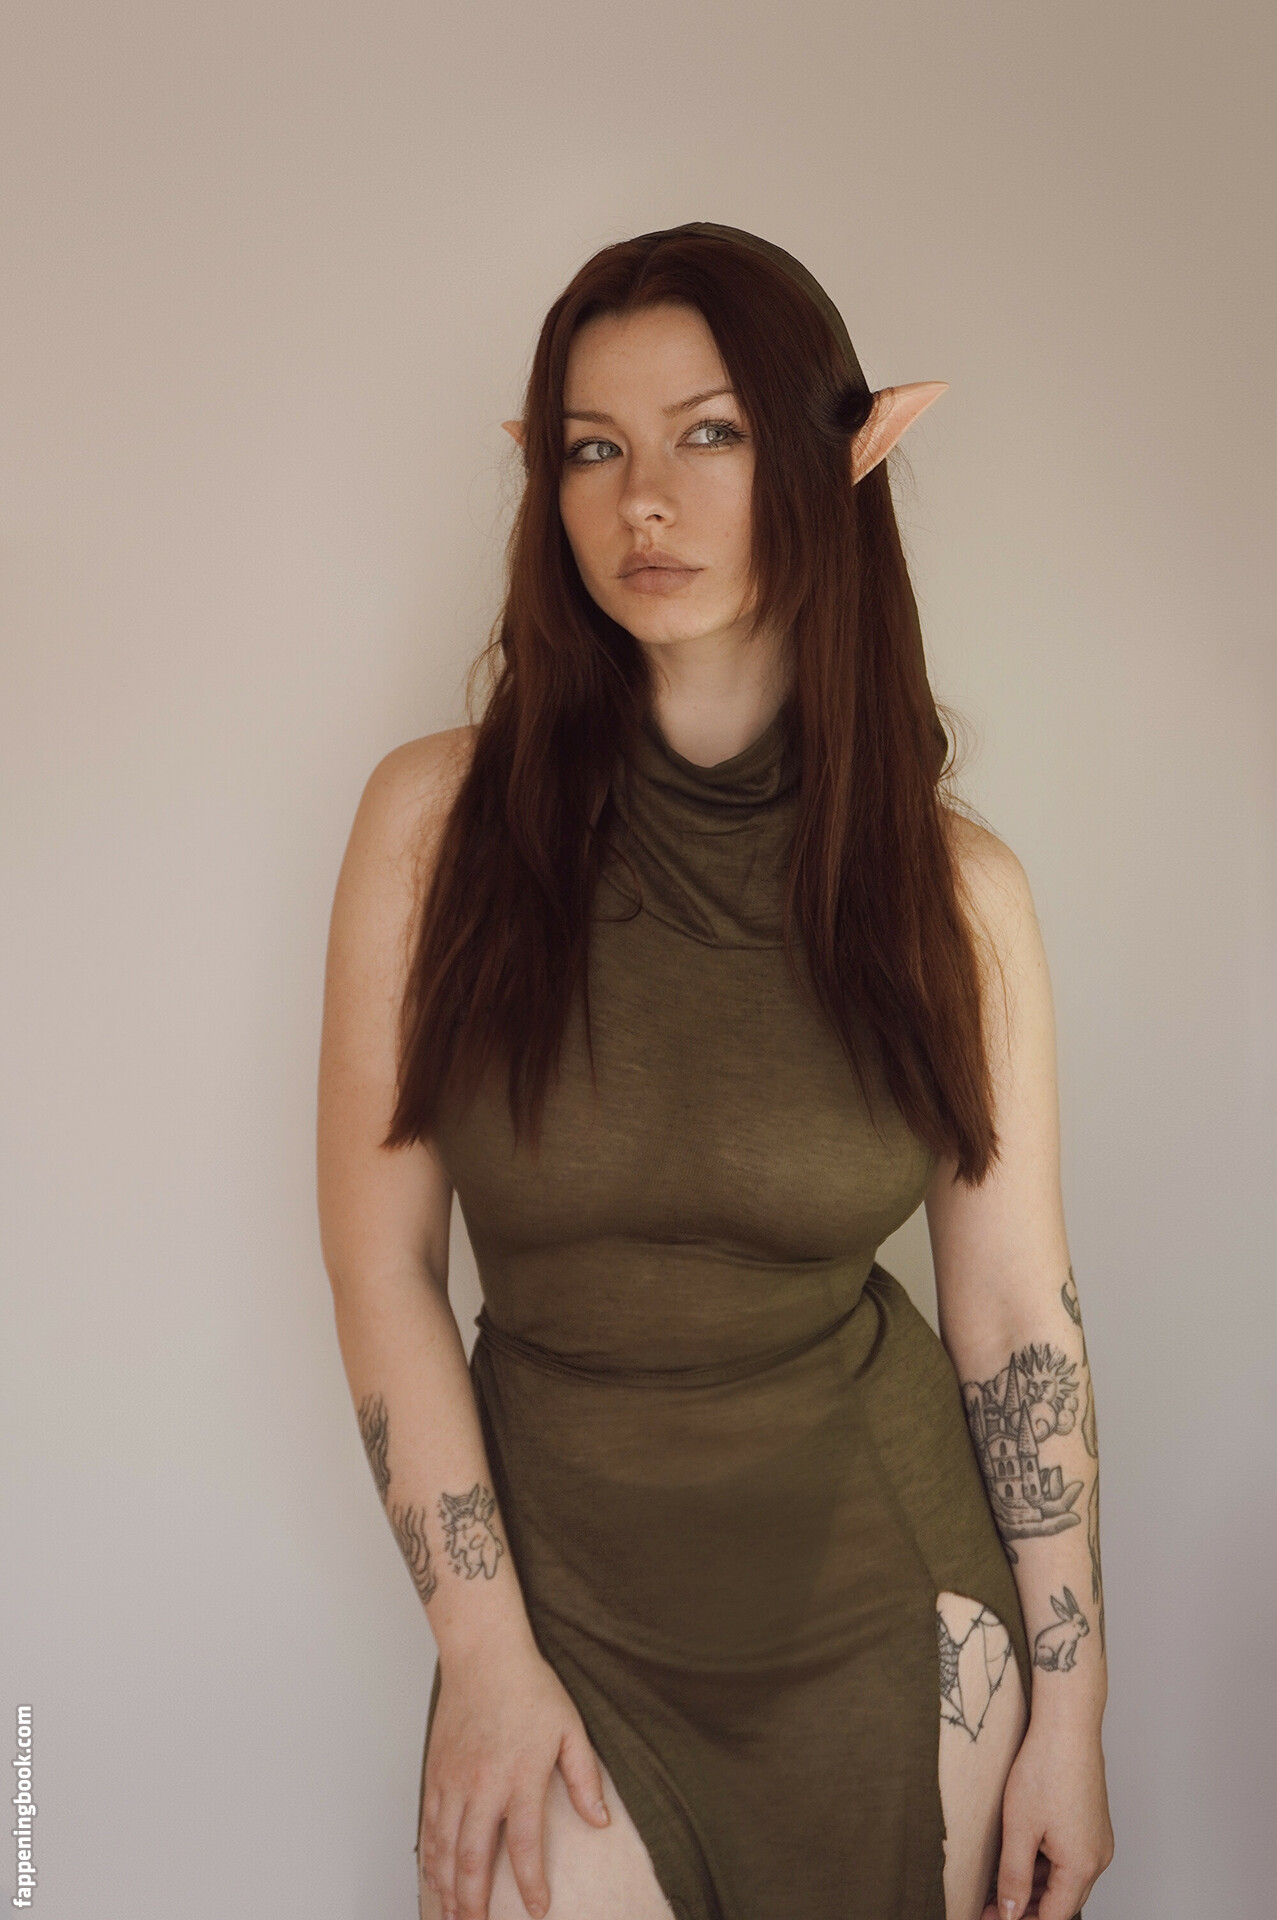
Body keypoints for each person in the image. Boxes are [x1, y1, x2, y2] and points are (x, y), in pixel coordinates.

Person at [316, 222, 1115, 1920]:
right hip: (561, 1617)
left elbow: (1013, 1320)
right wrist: (483, 1657)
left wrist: (1074, 1711)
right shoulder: (432, 826)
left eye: (710, 433)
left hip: (888, 1602)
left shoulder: (956, 892)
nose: (645, 502)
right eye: (592, 450)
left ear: (836, 459)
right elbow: (382, 1268)